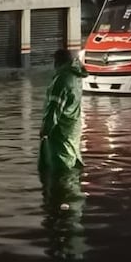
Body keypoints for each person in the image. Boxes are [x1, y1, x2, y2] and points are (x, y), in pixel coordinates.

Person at [39, 49, 87, 178]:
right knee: (71, 164)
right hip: (72, 129)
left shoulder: (61, 80)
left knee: (60, 171)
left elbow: (54, 108)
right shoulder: (76, 77)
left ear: (58, 62)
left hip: (60, 133)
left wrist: (45, 129)